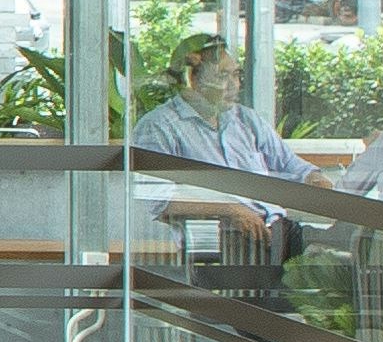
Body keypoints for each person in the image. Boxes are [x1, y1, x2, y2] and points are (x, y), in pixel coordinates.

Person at [130, 32, 305, 256]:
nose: (235, 85)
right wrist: (231, 210)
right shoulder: (159, 127)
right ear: (193, 79)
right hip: (221, 242)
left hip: (278, 232)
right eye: (223, 76)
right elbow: (160, 201)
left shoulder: (246, 119)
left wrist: (316, 180)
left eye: (236, 75)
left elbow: (293, 167)